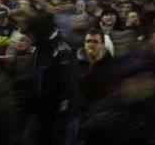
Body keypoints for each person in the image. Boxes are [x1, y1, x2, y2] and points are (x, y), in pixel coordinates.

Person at [24, 11, 78, 145]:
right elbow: (35, 76)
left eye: (31, 32)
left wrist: (62, 118)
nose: (27, 35)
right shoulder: (37, 49)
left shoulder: (61, 51)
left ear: (39, 31)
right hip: (38, 114)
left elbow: (69, 87)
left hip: (55, 119)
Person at [76, 28, 113, 115]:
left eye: (95, 42)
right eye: (88, 41)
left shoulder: (111, 67)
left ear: (103, 45)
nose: (91, 45)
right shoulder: (77, 65)